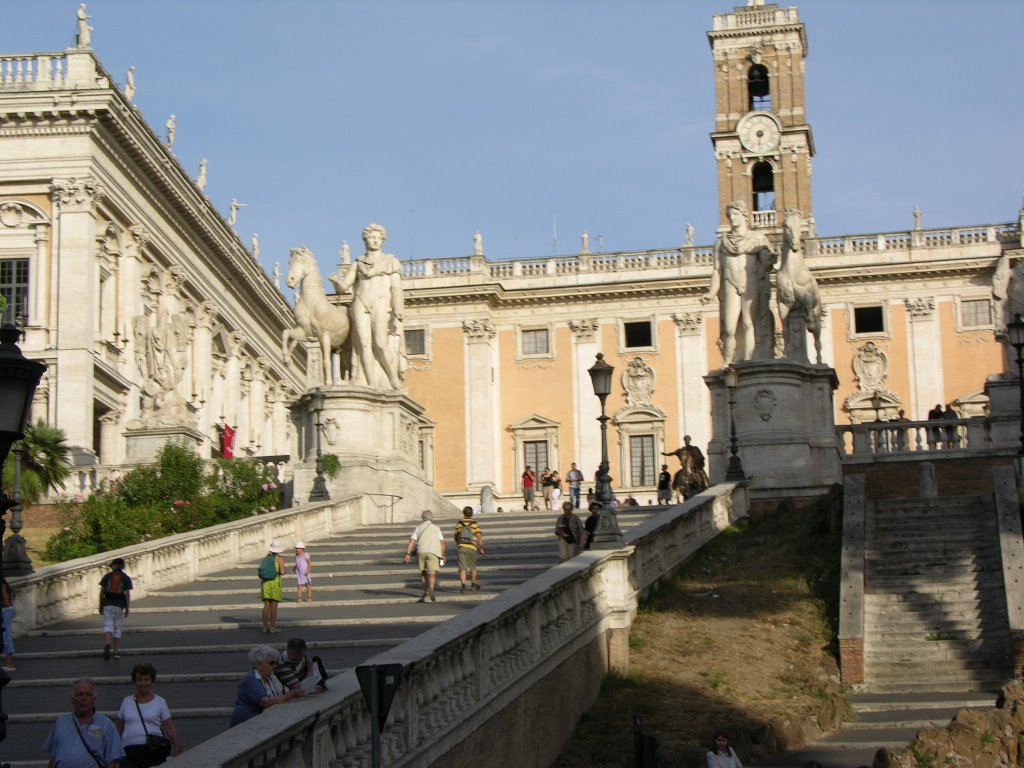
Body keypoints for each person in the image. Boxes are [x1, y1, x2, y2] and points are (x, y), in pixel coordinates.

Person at [337, 223, 404, 390]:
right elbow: (345, 286)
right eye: (371, 237)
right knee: (363, 343)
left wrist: (397, 311)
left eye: (378, 238)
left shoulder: (390, 261)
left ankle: (393, 379)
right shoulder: (358, 263)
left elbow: (396, 289)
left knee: (380, 343)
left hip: (380, 302)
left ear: (383, 240)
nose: (375, 240)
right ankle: (371, 382)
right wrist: (335, 282)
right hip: (360, 302)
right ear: (365, 240)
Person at [708, 200, 775, 364]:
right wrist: (710, 292)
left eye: (736, 214)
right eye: (730, 215)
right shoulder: (721, 243)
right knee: (729, 328)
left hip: (750, 282)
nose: (732, 218)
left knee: (748, 323)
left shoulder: (758, 238)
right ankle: (728, 362)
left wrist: (770, 259)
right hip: (730, 284)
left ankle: (749, 359)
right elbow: (717, 271)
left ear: (744, 216)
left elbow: (767, 262)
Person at [44, 678, 125, 767]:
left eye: (88, 695)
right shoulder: (61, 723)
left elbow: (112, 761)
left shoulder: (106, 725)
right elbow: (54, 756)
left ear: (94, 700)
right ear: (72, 699)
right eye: (79, 694)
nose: (84, 698)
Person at [116, 663, 182, 767]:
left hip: (153, 751)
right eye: (139, 679)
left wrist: (177, 746)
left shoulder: (160, 701)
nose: (143, 683)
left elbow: (168, 727)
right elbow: (119, 728)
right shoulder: (126, 701)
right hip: (129, 752)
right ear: (135, 681)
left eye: (146, 679)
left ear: (152, 681)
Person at [230, 645, 303, 727]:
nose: (274, 666)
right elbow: (266, 702)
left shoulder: (269, 677)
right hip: (245, 724)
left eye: (275, 663)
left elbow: (281, 694)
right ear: (260, 664)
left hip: (257, 722)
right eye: (271, 663)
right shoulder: (252, 679)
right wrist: (291, 695)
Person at [404, 510, 446, 602]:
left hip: (421, 551)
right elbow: (442, 542)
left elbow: (412, 541)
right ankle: (431, 589)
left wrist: (408, 554)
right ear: (432, 517)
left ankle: (425, 591)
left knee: (423, 572)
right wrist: (443, 555)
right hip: (433, 551)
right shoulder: (436, 528)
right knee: (432, 573)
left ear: (422, 518)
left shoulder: (418, 528)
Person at [99, 557, 132, 660]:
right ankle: (116, 652)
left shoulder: (107, 576)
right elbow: (127, 594)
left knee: (108, 626)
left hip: (107, 604)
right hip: (119, 605)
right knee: (117, 628)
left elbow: (101, 592)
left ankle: (107, 643)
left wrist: (100, 605)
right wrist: (127, 608)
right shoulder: (126, 578)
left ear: (114, 565)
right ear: (122, 566)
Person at [453, 506, 485, 593]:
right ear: (472, 513)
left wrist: (458, 544)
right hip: (472, 547)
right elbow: (479, 537)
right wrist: (481, 547)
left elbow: (456, 536)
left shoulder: (459, 524)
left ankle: (463, 586)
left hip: (461, 547)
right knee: (473, 568)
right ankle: (473, 585)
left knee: (462, 568)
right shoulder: (475, 524)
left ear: (463, 513)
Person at [260, 541, 284, 634]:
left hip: (265, 583)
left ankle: (265, 627)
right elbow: (282, 572)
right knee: (274, 606)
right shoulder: (280, 559)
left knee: (266, 605)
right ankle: (273, 627)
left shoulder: (266, 558)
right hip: (275, 583)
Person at [2, 575, 14, 671]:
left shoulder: (2, 585)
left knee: (6, 637)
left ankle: (9, 664)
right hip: (6, 611)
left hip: (5, 611)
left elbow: (6, 603)